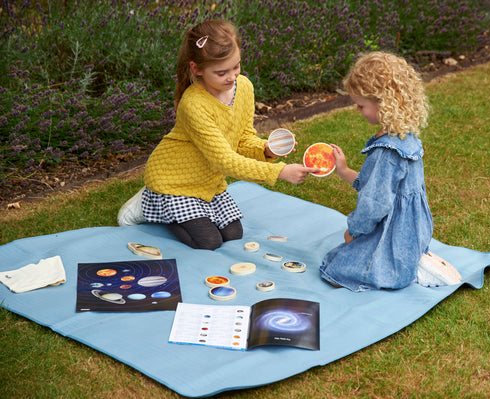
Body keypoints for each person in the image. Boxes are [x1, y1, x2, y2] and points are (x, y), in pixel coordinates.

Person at [117, 20, 318, 250]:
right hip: (173, 181)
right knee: (208, 242)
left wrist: (265, 149)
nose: (232, 77)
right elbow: (225, 160)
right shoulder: (194, 104)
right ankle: (149, 203)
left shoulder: (244, 87)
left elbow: (243, 138)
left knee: (233, 235)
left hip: (208, 181)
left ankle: (171, 208)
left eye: (237, 66)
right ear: (197, 69)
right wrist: (279, 172)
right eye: (222, 72)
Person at [320, 51, 460, 291]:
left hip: (392, 234)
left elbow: (374, 204)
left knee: (334, 269)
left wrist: (353, 232)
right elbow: (376, 186)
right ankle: (410, 261)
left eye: (361, 105)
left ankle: (405, 270)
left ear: (383, 104)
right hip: (414, 232)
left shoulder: (386, 152)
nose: (357, 110)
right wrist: (343, 170)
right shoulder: (406, 137)